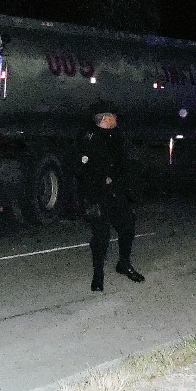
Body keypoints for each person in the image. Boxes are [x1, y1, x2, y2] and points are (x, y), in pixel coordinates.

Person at [76, 101, 145, 292]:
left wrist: (129, 190)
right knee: (101, 237)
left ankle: (124, 263)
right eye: (113, 116)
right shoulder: (89, 138)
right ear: (105, 118)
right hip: (98, 195)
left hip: (118, 193)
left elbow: (126, 164)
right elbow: (80, 168)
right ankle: (98, 275)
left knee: (127, 227)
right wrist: (94, 189)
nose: (115, 119)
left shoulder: (118, 136)